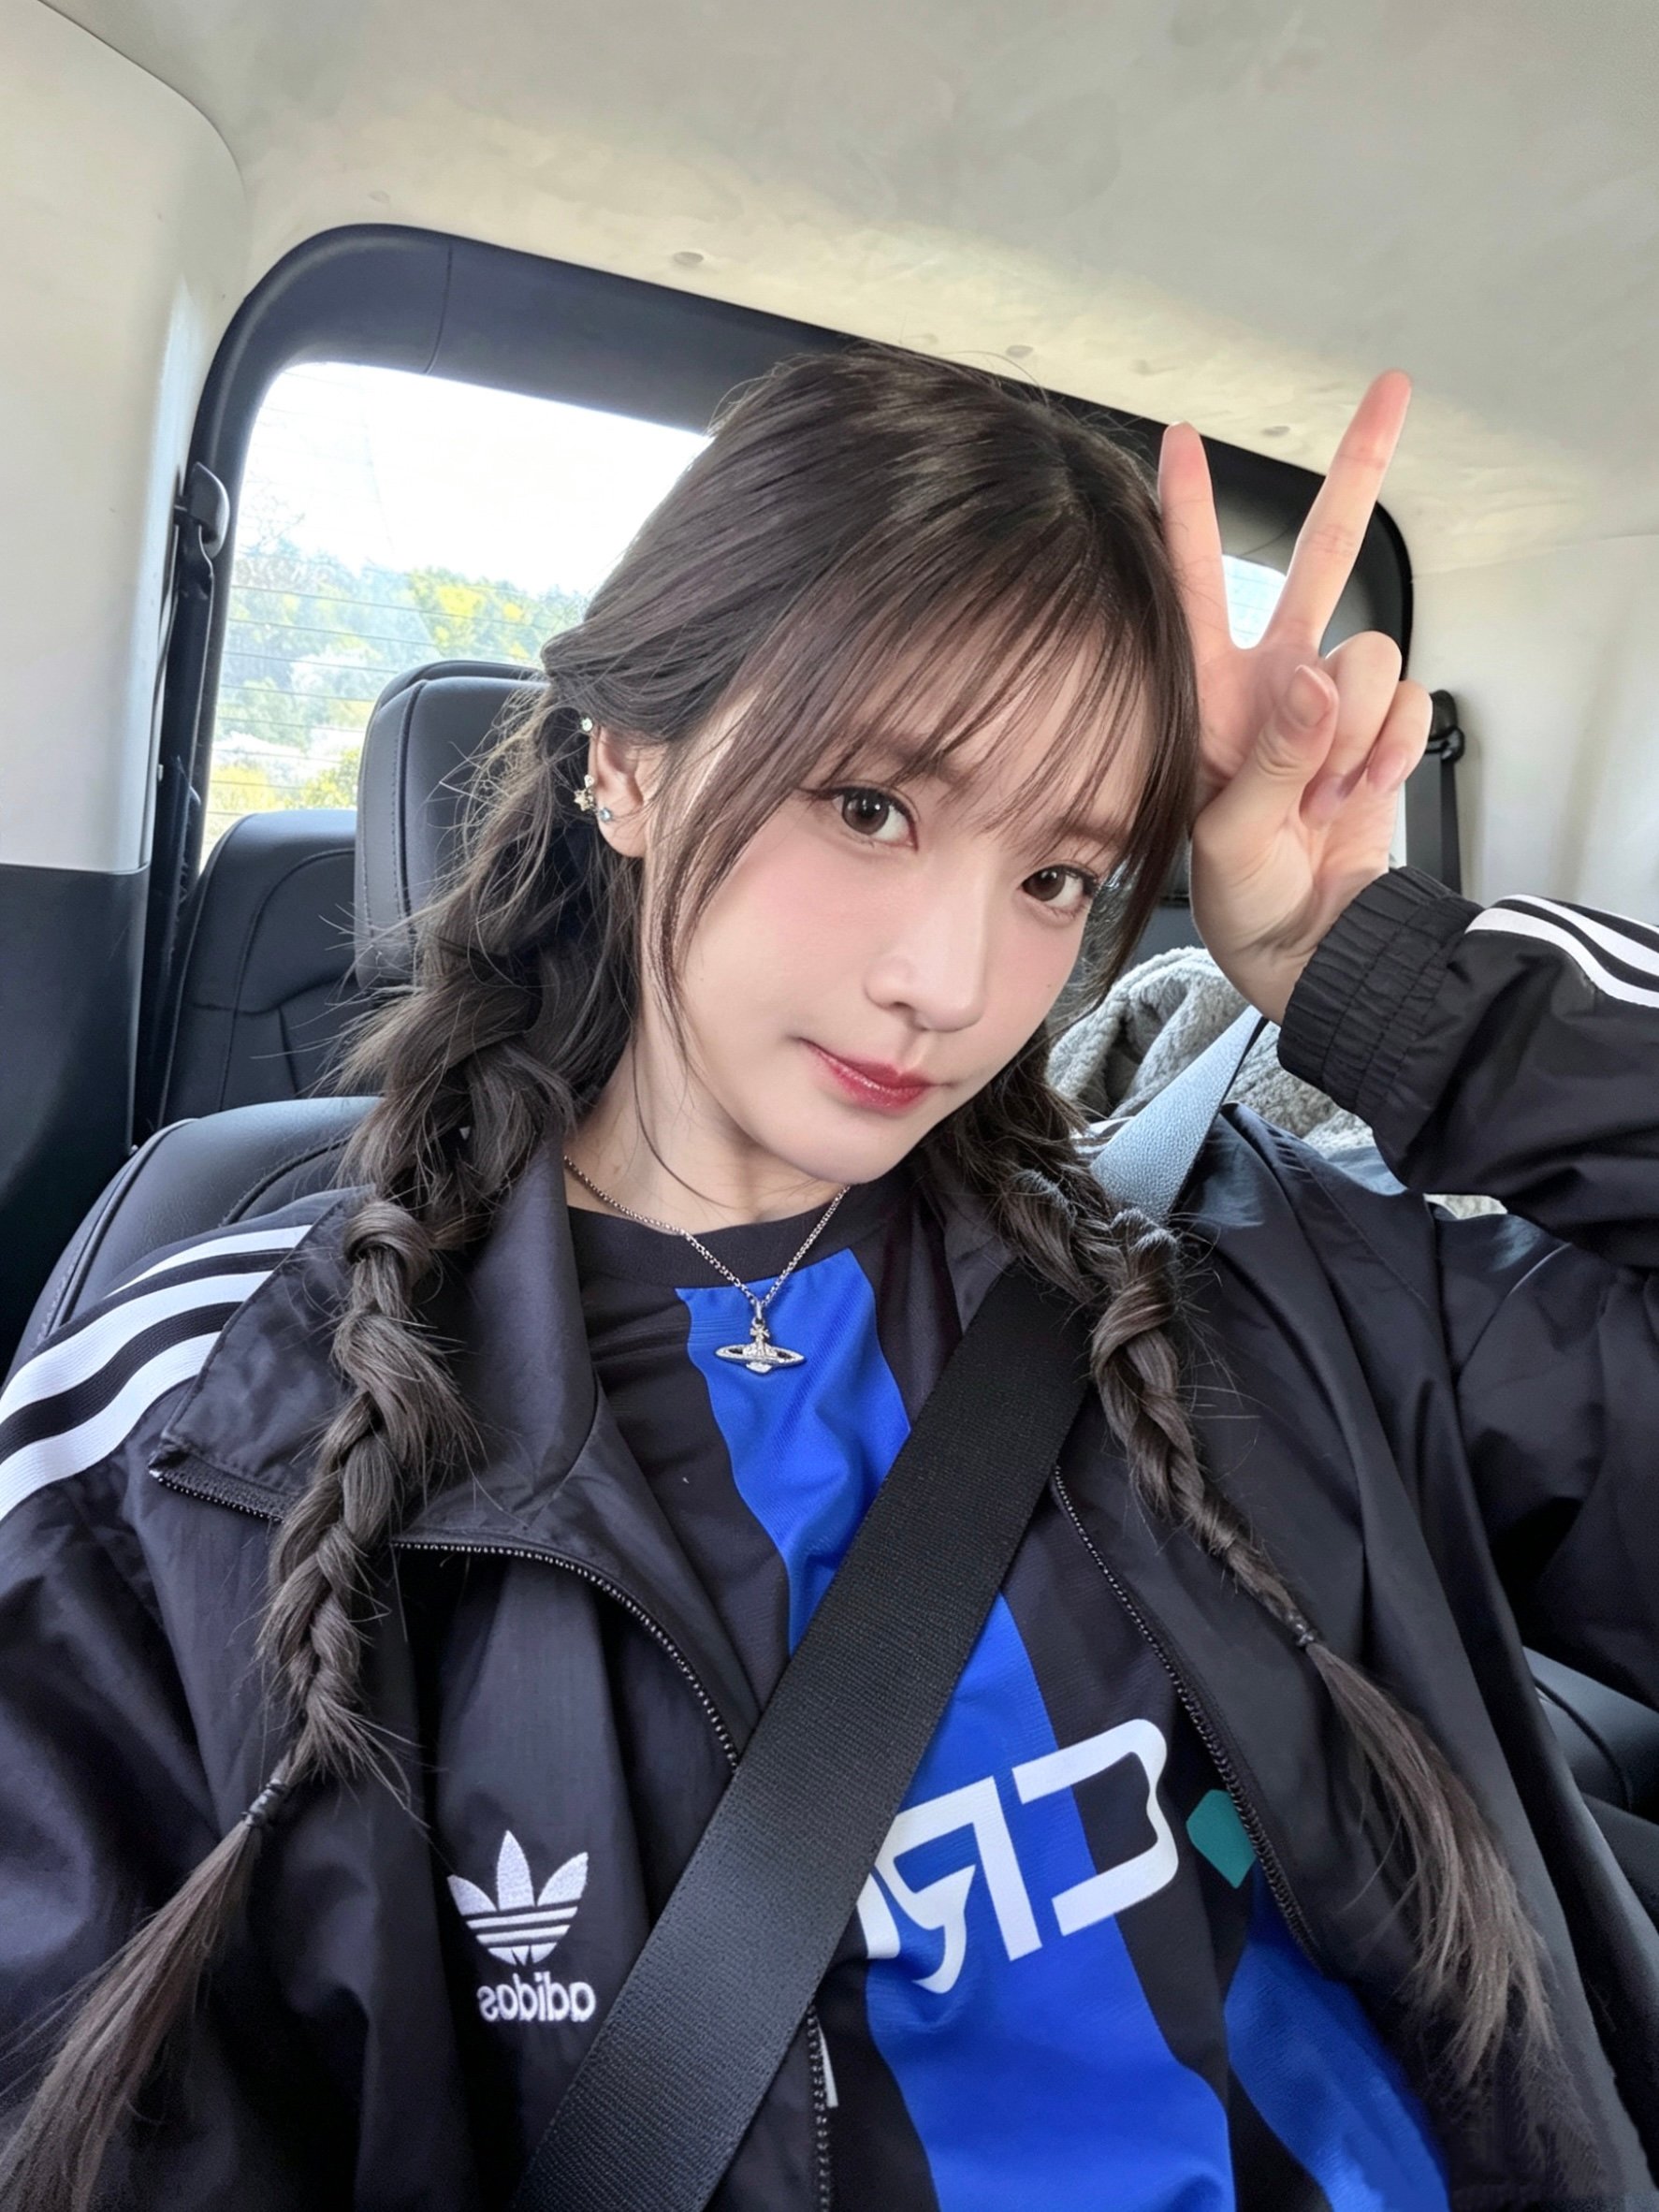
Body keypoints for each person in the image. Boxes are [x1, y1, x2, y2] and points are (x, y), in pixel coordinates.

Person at [1, 344, 1657, 2212]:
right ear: (625, 759)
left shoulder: (1264, 1288)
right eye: (869, 806)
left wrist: (1374, 968)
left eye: (1056, 877)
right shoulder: (198, 1449)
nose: (945, 981)